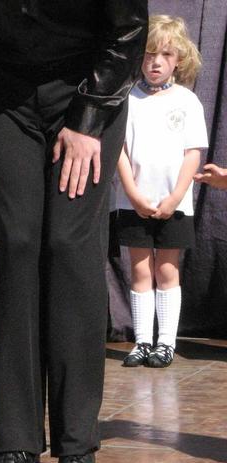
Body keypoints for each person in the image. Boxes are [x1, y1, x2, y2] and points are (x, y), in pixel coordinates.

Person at [0, 2, 147, 463]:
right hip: (11, 95)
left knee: (69, 245)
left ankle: (77, 446)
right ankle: (15, 445)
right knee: (20, 243)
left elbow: (127, 34)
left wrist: (89, 120)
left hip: (89, 86)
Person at [114, 15, 208, 369]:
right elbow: (119, 150)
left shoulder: (187, 101)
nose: (156, 62)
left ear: (178, 60)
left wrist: (174, 198)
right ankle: (142, 341)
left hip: (175, 204)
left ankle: (165, 342)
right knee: (140, 270)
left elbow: (193, 154)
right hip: (133, 202)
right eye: (149, 54)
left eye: (165, 55)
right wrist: (134, 195)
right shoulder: (127, 99)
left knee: (167, 270)